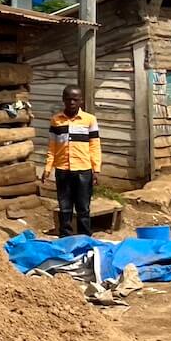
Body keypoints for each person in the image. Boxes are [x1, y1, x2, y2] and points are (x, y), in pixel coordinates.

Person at [42, 84, 101, 237]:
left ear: (81, 101)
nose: (72, 103)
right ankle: (66, 238)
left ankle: (85, 239)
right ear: (63, 100)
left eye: (75, 100)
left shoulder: (89, 120)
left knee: (83, 208)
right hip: (63, 171)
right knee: (65, 207)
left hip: (84, 170)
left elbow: (95, 146)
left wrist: (96, 169)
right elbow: (52, 146)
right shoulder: (56, 121)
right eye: (69, 100)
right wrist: (48, 168)